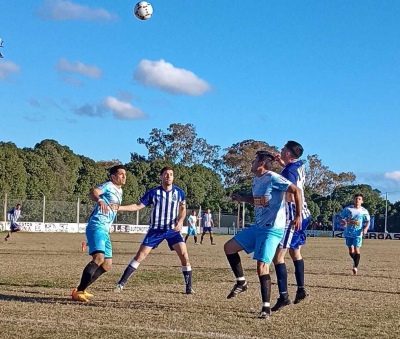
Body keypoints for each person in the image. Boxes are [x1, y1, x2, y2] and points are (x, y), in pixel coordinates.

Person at [224, 150, 302, 319]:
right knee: (229, 247)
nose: (251, 163)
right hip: (258, 227)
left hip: (272, 229)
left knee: (262, 266)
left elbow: (296, 190)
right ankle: (241, 282)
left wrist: (297, 215)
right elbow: (258, 199)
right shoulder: (256, 180)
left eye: (254, 160)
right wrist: (243, 199)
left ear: (261, 164)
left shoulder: (273, 177)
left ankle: (266, 308)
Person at [114, 166, 194, 294]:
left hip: (172, 231)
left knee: (185, 256)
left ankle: (189, 288)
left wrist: (179, 222)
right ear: (161, 177)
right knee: (140, 256)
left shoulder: (179, 192)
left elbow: (183, 210)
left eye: (171, 174)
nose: (169, 177)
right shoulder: (153, 192)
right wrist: (119, 208)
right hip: (155, 230)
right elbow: (138, 206)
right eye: (166, 174)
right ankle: (121, 283)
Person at [71, 165, 127, 302]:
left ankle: (81, 289)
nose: (124, 176)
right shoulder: (108, 185)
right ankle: (78, 292)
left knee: (107, 265)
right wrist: (100, 199)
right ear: (113, 176)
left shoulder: (120, 191)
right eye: (121, 174)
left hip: (105, 230)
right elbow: (93, 192)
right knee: (98, 259)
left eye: (125, 174)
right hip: (97, 226)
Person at [271, 141, 312, 311]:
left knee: (278, 257)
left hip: (293, 216)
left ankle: (283, 296)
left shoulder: (289, 170)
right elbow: (291, 172)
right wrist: (281, 163)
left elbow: (295, 192)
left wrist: (294, 216)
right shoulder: (298, 164)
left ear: (288, 153)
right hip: (305, 214)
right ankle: (301, 289)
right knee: (295, 253)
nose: (280, 150)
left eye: (283, 149)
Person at [339, 193, 370, 275]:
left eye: (359, 199)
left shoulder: (364, 211)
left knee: (356, 249)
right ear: (354, 200)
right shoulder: (348, 209)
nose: (357, 200)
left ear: (362, 201)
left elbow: (367, 221)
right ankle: (355, 260)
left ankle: (355, 267)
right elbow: (340, 217)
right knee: (350, 250)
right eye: (356, 198)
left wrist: (365, 228)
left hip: (358, 233)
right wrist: (344, 222)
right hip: (348, 232)